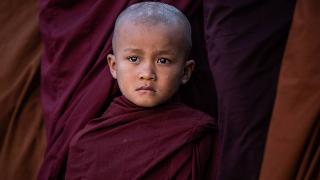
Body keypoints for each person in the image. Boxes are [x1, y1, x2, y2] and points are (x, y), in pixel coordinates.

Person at [64, 2, 219, 180]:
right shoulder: (87, 143)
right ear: (113, 66)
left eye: (163, 61)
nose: (147, 74)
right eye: (134, 58)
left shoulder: (198, 136)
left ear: (185, 72)